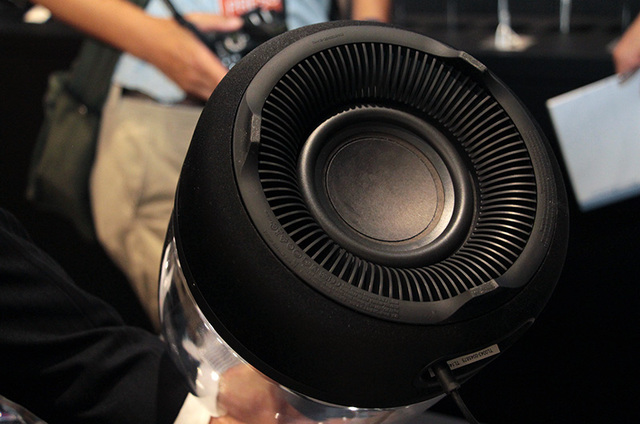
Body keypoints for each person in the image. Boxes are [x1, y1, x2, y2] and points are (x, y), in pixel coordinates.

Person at [30, 0, 391, 331]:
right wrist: (158, 42)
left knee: (343, 329)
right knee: (233, 349)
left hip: (313, 116)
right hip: (171, 110)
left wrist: (371, 42)